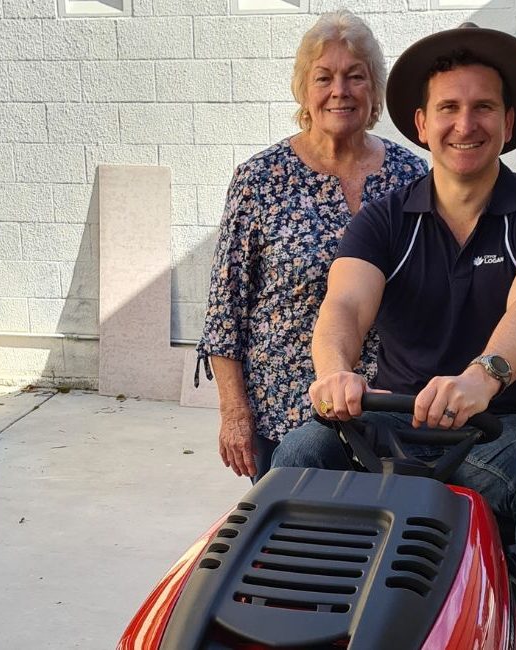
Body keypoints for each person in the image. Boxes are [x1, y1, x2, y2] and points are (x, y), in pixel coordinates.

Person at [270, 24, 516, 649]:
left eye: (482, 108)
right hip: (394, 420)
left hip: (504, 427)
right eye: (448, 107)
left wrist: (482, 377)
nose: (464, 124)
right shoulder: (385, 219)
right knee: (298, 456)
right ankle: (298, 631)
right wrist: (334, 369)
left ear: (508, 121)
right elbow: (344, 305)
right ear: (421, 123)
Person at [195, 10, 427, 481]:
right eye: (324, 77)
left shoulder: (412, 177)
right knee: (294, 548)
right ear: (304, 89)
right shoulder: (259, 179)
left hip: (388, 413)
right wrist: (234, 414)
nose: (339, 90)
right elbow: (225, 310)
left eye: (355, 76)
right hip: (285, 412)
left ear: (374, 89)